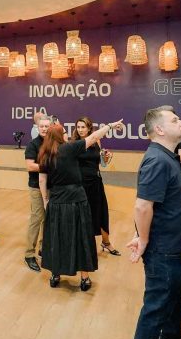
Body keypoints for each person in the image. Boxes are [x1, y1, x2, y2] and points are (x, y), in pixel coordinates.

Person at [128, 107, 181, 339]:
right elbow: (142, 205)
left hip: (175, 245)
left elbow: (152, 203)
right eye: (175, 120)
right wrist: (143, 238)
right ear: (159, 129)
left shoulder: (168, 157)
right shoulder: (157, 160)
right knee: (156, 307)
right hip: (163, 249)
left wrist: (140, 233)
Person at [39, 119, 124, 291]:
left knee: (57, 236)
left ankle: (55, 274)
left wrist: (46, 200)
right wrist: (109, 126)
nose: (67, 134)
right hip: (77, 199)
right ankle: (84, 278)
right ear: (60, 136)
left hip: (56, 200)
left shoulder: (45, 154)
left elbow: (42, 180)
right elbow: (94, 137)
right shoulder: (69, 148)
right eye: (64, 132)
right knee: (82, 236)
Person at [72, 116, 119, 256]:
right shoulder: (75, 143)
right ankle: (83, 245)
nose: (80, 130)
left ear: (89, 128)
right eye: (78, 127)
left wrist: (105, 157)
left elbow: (101, 163)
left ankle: (106, 242)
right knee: (84, 215)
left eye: (83, 127)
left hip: (96, 182)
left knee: (101, 211)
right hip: (81, 184)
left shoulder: (97, 141)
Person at [24, 114, 51, 271]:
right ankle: (29, 254)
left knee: (48, 219)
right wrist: (49, 166)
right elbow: (30, 166)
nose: (44, 129)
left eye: (47, 126)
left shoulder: (54, 143)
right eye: (42, 126)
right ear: (37, 127)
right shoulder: (32, 145)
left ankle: (43, 248)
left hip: (51, 187)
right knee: (37, 218)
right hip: (36, 186)